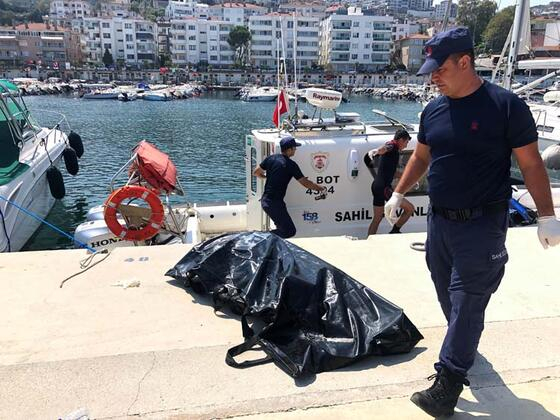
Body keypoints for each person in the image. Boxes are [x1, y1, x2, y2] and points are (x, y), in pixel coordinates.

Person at [384, 27, 560, 418]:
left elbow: (531, 163)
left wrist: (546, 217)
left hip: (483, 225)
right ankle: (462, 345)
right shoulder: (433, 110)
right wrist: (399, 193)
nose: (433, 77)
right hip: (440, 223)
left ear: (465, 62)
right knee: (447, 293)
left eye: (439, 69)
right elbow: (421, 157)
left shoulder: (505, 106)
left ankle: (447, 381)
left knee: (468, 299)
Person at [253, 135, 325, 238]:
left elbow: (256, 172)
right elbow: (305, 183)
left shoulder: (271, 158)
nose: (295, 150)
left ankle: (273, 248)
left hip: (267, 201)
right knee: (289, 231)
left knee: (281, 229)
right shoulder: (291, 165)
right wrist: (321, 188)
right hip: (274, 204)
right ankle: (258, 237)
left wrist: (267, 177)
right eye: (294, 148)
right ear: (289, 149)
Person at [364, 129, 414, 235]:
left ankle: (369, 241)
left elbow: (392, 172)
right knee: (410, 209)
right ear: (401, 140)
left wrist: (409, 178)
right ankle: (395, 230)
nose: (406, 145)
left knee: (377, 218)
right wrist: (377, 151)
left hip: (376, 186)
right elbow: (385, 148)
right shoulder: (393, 146)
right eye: (406, 142)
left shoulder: (394, 151)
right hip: (384, 188)